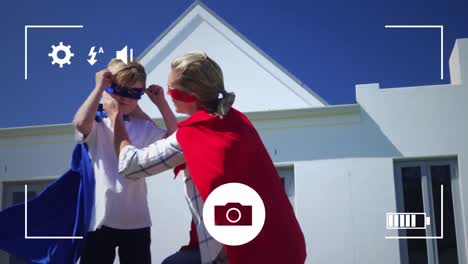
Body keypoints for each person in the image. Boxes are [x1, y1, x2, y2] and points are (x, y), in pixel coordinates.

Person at [105, 51, 307, 264]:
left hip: (242, 254)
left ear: (189, 96)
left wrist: (116, 116)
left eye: (171, 88)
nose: (168, 91)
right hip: (281, 244)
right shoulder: (236, 120)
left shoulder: (193, 134)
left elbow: (130, 166)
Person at [73, 58, 177, 264]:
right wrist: (99, 88)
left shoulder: (143, 127)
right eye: (119, 90)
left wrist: (161, 103)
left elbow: (176, 140)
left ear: (140, 96)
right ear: (109, 89)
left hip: (137, 220)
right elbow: (80, 123)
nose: (125, 98)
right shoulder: (98, 124)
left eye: (134, 93)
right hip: (100, 220)